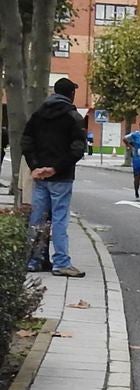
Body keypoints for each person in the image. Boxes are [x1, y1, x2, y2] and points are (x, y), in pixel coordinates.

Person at [21, 78, 88, 278]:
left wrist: (36, 167)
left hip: (40, 176)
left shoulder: (38, 115)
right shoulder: (73, 117)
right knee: (59, 219)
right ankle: (61, 263)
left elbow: (26, 141)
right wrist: (56, 168)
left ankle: (34, 261)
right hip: (61, 177)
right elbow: (77, 148)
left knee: (38, 218)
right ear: (71, 94)